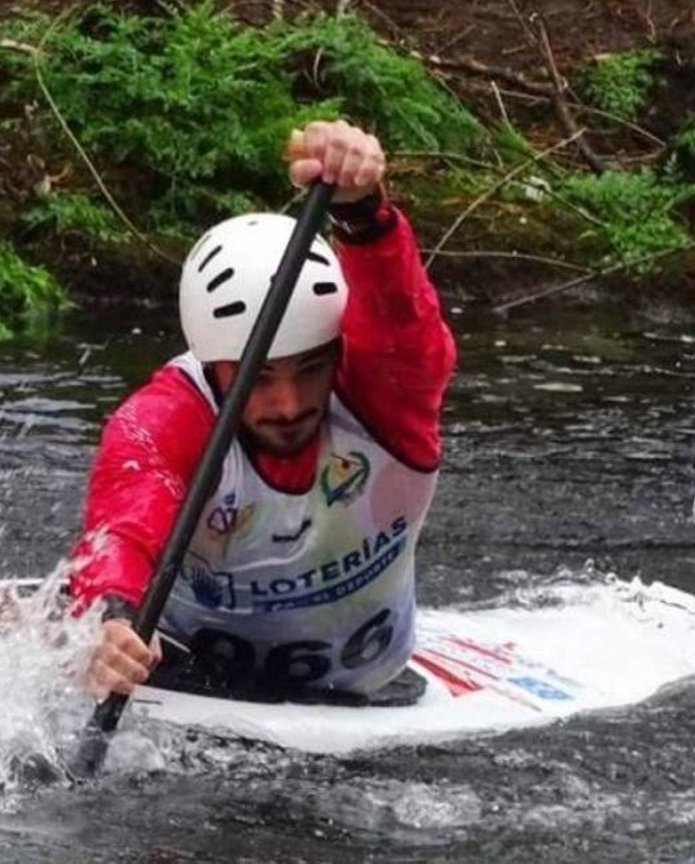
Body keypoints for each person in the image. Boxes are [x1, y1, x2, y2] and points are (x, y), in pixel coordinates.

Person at [68, 120, 456, 705]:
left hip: (368, 692)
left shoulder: (385, 400)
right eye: (260, 378)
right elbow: (123, 530)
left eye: (309, 370)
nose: (289, 405)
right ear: (214, 365)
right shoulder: (163, 418)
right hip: (183, 679)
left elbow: (401, 318)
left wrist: (362, 212)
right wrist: (111, 621)